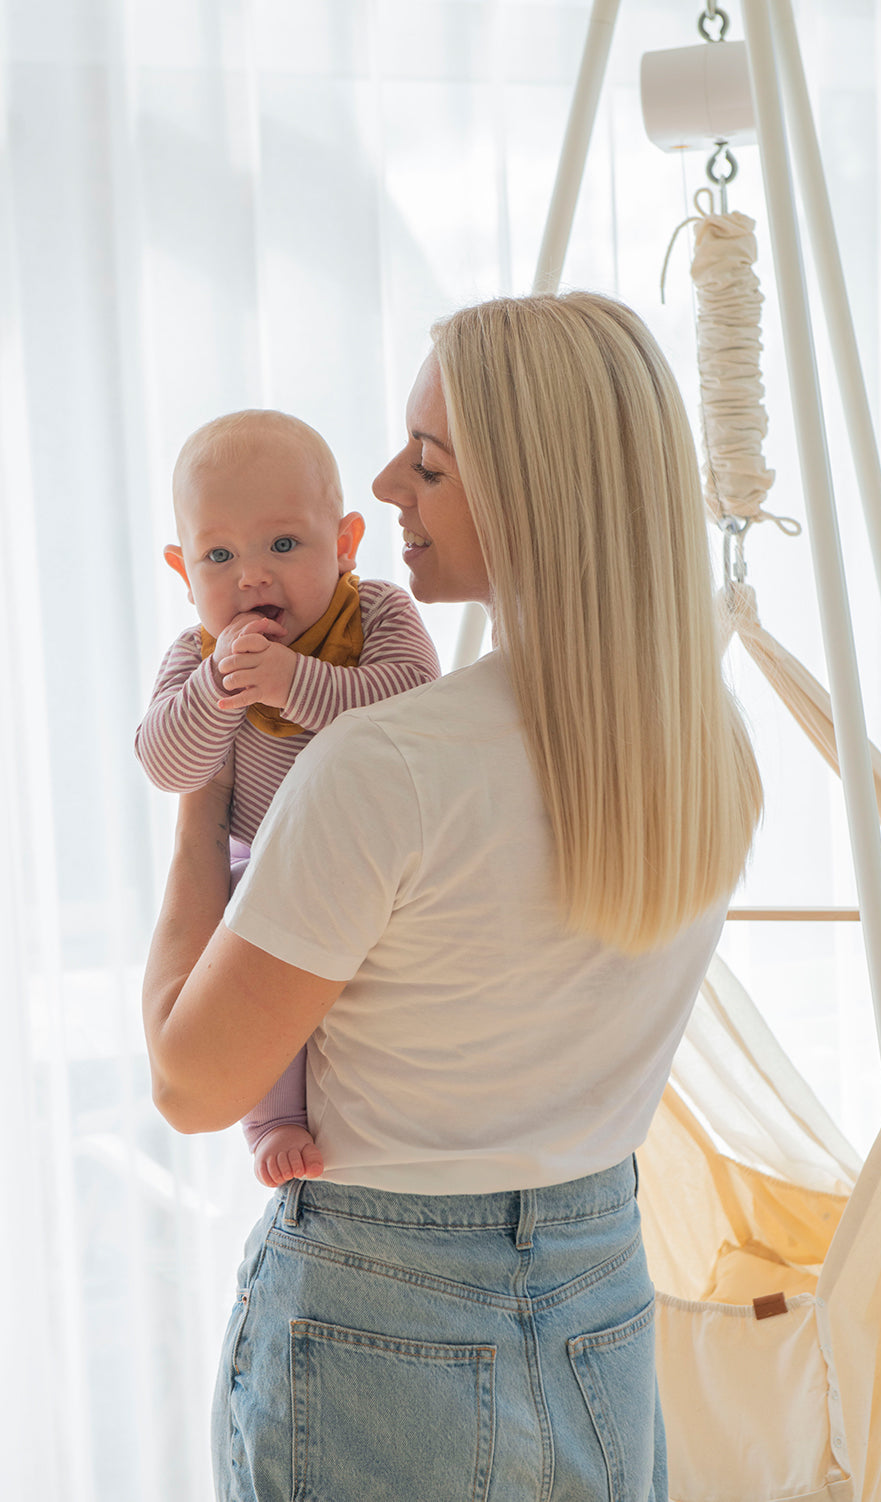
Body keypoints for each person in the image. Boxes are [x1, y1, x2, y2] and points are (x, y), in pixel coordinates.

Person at [142, 292, 762, 1501]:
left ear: (530, 489)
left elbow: (190, 1080)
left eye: (426, 461)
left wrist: (194, 812)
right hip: (604, 1297)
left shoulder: (385, 767)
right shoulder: (705, 750)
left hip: (380, 1312)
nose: (383, 484)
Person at [136, 409, 440, 1187]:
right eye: (219, 555)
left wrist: (292, 683)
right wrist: (218, 692)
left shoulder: (375, 614)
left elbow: (411, 704)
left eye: (283, 545)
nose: (251, 576)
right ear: (182, 571)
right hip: (258, 869)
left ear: (343, 545)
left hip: (376, 869)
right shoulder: (196, 657)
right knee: (230, 982)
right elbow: (168, 764)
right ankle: (271, 1120)